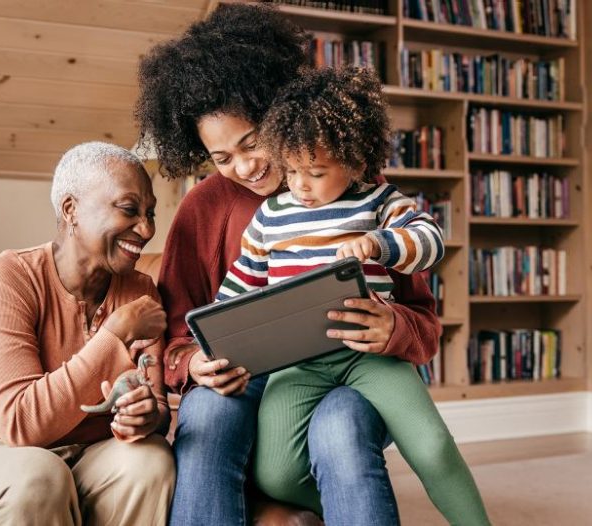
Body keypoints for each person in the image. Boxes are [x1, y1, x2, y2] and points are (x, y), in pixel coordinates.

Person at [136, 4, 441, 525]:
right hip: (243, 376)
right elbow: (175, 330)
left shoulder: (350, 182)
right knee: (206, 418)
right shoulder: (202, 208)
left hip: (349, 372)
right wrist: (192, 365)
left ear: (277, 114)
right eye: (222, 158)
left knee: (341, 428)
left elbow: (423, 320)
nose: (245, 166)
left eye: (252, 142)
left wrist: (392, 326)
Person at [216, 66, 490, 525]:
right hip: (297, 362)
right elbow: (240, 288)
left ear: (356, 161)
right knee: (276, 474)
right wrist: (218, 337)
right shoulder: (269, 217)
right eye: (293, 169)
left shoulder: (380, 200)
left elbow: (430, 240)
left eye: (317, 172)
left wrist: (381, 242)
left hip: (369, 355)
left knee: (433, 446)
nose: (300, 184)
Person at [0, 142, 176, 526]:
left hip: (88, 455)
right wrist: (115, 333)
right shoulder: (7, 277)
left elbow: (156, 407)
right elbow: (21, 424)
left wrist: (146, 416)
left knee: (151, 461)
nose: (147, 228)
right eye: (129, 209)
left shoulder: (140, 292)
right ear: (71, 210)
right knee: (38, 475)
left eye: (150, 213)